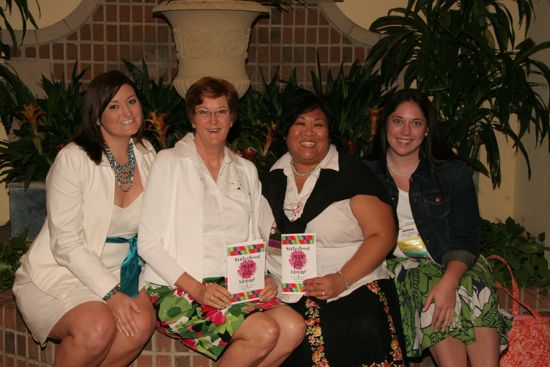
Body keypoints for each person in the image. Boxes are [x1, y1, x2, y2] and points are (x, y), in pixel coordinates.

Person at [138, 76, 305, 366]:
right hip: (176, 286)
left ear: (232, 119)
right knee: (263, 331)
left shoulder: (246, 170)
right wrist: (198, 289)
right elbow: (148, 244)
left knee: (294, 328)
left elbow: (254, 239)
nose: (213, 120)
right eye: (204, 112)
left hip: (232, 285)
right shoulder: (169, 162)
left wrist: (267, 278)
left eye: (221, 111)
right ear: (192, 118)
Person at [12, 70, 157, 366]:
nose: (127, 112)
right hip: (61, 273)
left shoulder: (147, 153)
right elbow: (65, 242)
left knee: (140, 324)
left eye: (132, 101)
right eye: (114, 106)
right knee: (96, 325)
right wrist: (111, 294)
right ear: (96, 116)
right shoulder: (74, 159)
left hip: (124, 271)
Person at [260, 89, 407, 366]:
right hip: (286, 292)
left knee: (358, 323)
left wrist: (341, 279)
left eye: (318, 124)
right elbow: (261, 240)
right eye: (300, 123)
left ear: (330, 132)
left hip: (353, 286)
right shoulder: (268, 180)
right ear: (286, 132)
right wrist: (267, 278)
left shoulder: (352, 175)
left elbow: (383, 235)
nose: (309, 132)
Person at [367, 88, 511, 367]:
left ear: (427, 131)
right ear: (385, 124)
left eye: (416, 123)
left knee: (471, 281)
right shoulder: (366, 174)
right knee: (427, 282)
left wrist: (450, 280)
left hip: (452, 259)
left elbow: (467, 237)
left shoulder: (452, 171)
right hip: (399, 265)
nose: (405, 131)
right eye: (398, 121)